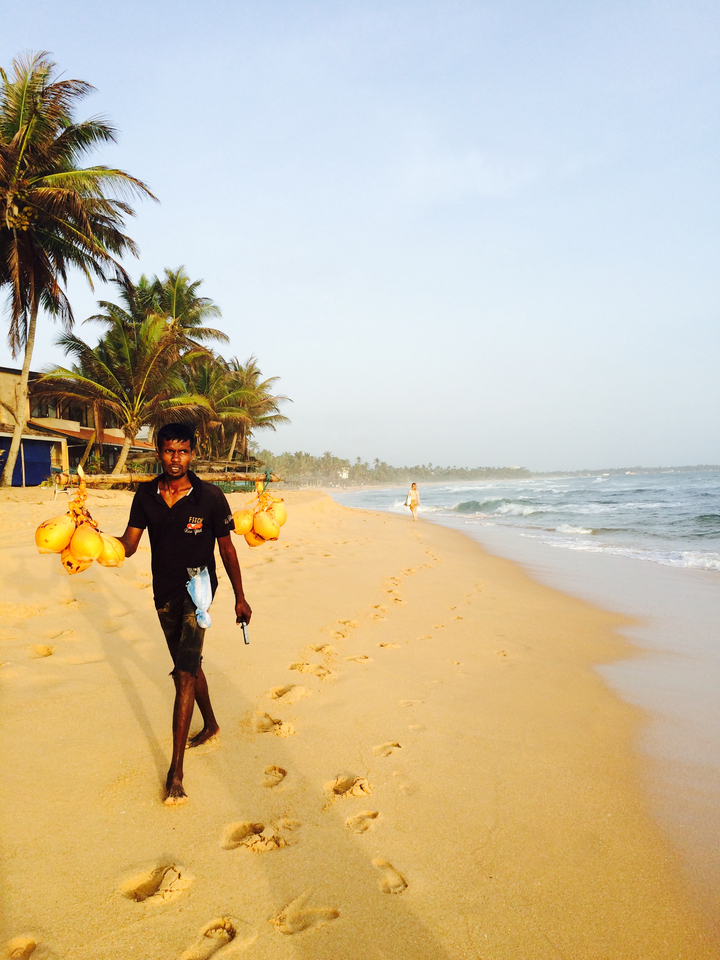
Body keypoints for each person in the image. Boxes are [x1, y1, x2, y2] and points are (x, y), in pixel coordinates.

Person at [118, 422, 252, 805]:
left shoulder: (210, 497)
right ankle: (210, 723)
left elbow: (227, 550)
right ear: (158, 452)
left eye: (182, 451)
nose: (175, 458)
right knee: (188, 664)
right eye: (168, 451)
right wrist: (96, 543)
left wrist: (240, 598)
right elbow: (129, 544)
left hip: (199, 591)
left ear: (192, 453)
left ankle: (175, 772)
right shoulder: (145, 495)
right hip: (163, 592)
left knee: (183, 674)